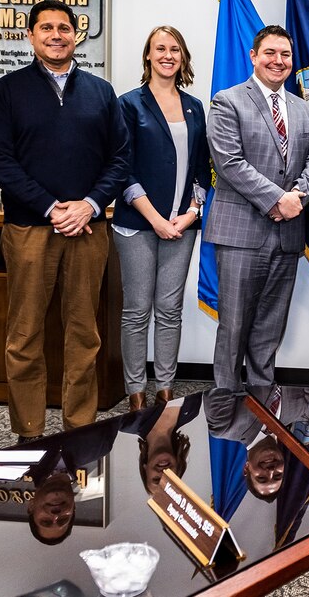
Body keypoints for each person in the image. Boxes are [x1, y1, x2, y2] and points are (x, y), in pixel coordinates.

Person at [0, 0, 130, 441]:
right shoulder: (8, 89)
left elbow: (120, 160)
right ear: (30, 36)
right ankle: (29, 432)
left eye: (63, 28)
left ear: (76, 35)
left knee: (84, 334)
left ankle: (79, 428)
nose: (55, 35)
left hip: (89, 229)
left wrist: (88, 204)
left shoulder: (101, 92)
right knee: (24, 336)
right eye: (45, 28)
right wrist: (50, 206)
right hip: (30, 228)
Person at [205, 25, 309, 390]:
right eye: (270, 53)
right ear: (254, 56)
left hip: (287, 235)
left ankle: (261, 398)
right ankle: (226, 400)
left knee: (271, 325)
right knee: (235, 325)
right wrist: (278, 199)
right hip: (241, 232)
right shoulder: (228, 101)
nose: (278, 61)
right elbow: (229, 162)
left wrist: (297, 198)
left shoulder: (303, 110)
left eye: (285, 55)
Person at [114, 26, 210, 412]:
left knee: (170, 309)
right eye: (160, 48)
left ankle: (165, 387)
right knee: (137, 309)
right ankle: (136, 391)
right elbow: (122, 168)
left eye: (175, 49)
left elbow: (204, 168)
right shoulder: (128, 104)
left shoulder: (195, 106)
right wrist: (156, 218)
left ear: (183, 57)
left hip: (181, 226)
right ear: (148, 56)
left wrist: (190, 213)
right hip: (137, 224)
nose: (168, 55)